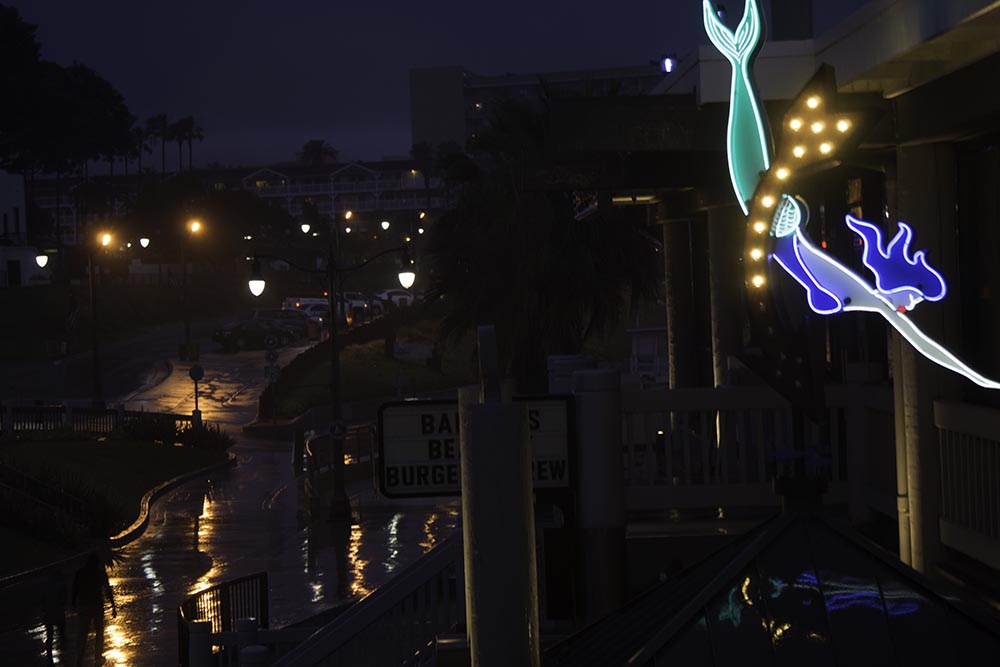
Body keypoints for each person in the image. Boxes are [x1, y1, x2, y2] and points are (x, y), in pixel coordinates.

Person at [72, 551, 116, 666]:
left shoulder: (80, 573)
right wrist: (113, 606)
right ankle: (98, 655)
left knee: (83, 633)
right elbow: (107, 590)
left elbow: (74, 589)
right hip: (96, 605)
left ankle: (79, 657)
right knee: (99, 631)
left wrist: (73, 604)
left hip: (83, 605)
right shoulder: (100, 573)